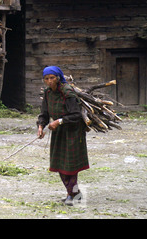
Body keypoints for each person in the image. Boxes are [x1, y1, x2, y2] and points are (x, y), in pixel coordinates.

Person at [36, 66, 89, 206]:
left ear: (58, 78)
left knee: (70, 165)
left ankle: (72, 194)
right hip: (59, 131)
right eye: (46, 79)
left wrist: (59, 121)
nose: (49, 81)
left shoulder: (67, 92)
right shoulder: (48, 93)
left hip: (72, 130)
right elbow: (44, 114)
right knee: (59, 164)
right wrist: (41, 126)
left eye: (52, 78)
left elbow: (76, 115)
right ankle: (74, 194)